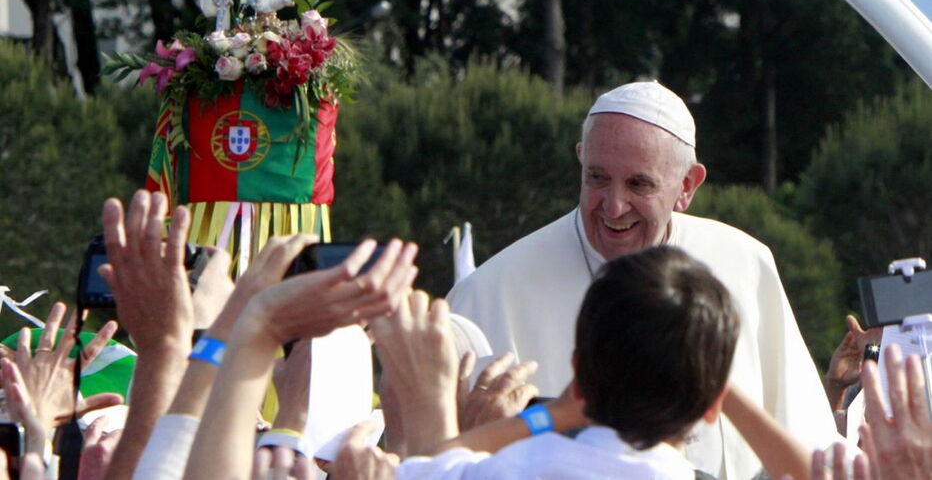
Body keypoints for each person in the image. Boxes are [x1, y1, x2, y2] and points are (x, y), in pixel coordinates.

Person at [446, 80, 838, 479]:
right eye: (597, 178)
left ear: (687, 185)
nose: (614, 206)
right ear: (581, 160)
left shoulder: (746, 264)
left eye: (639, 184)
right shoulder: (493, 290)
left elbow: (809, 442)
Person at [336, 246, 745, 479]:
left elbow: (439, 461)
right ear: (714, 404)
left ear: (579, 373)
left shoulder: (514, 470)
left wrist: (549, 416)